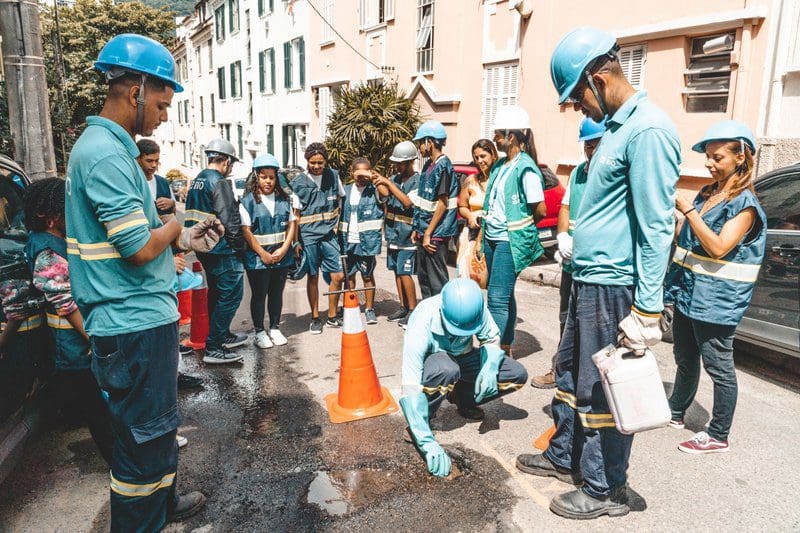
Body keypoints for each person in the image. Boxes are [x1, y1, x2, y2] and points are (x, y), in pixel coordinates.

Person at [515, 27, 680, 520]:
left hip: (614, 287)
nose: (577, 109)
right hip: (588, 280)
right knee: (569, 375)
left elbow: (655, 225)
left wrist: (648, 306)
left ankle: (605, 488)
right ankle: (565, 454)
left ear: (598, 76)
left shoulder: (647, 130)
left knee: (602, 388)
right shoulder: (615, 131)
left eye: (576, 98)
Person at [65, 34, 224, 529]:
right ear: (135, 91)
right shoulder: (109, 156)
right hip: (131, 324)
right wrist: (177, 225)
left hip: (137, 319)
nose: (163, 114)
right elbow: (137, 249)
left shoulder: (109, 149)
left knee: (155, 433)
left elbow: (130, 241)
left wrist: (182, 241)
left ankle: (164, 500)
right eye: (161, 102)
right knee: (142, 442)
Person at [664, 121, 766, 454]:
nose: (709, 163)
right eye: (708, 156)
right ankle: (676, 411)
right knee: (684, 357)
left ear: (741, 157)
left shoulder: (745, 205)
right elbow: (688, 239)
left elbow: (719, 247)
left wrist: (689, 212)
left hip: (717, 301)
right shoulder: (708, 193)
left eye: (717, 156)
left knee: (719, 367)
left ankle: (718, 433)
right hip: (687, 293)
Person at [23, 178, 114, 464]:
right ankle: (121, 464)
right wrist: (96, 340)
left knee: (98, 405)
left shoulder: (57, 241)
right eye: (66, 208)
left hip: (80, 344)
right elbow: (66, 303)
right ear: (47, 216)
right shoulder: (47, 252)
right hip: (75, 347)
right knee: (99, 409)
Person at [400, 279, 528, 477]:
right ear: (442, 312)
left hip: (465, 357)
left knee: (516, 375)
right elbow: (411, 384)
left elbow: (491, 337)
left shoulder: (475, 307)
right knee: (446, 369)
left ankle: (463, 399)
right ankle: (425, 419)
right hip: (438, 362)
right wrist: (425, 441)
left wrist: (490, 367)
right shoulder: (423, 318)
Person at [531, 117, 605, 388]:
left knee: (592, 328)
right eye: (587, 145)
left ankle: (587, 380)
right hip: (573, 264)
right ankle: (562, 371)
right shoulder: (578, 174)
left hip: (596, 268)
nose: (591, 150)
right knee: (566, 319)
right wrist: (562, 237)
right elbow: (565, 207)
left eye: (596, 144)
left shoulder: (612, 176)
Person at [136, 138, 203, 389]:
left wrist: (173, 205)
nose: (153, 166)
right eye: (148, 160)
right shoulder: (132, 182)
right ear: (138, 158)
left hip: (168, 254)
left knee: (171, 318)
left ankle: (174, 373)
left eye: (156, 161)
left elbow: (173, 221)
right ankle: (157, 378)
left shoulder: (162, 183)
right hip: (147, 259)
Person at [482, 105, 547, 357]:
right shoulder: (500, 166)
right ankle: (506, 347)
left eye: (498, 133)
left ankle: (492, 354)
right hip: (492, 238)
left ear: (511, 136)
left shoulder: (526, 168)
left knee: (497, 298)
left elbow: (539, 210)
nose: (495, 138)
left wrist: (519, 230)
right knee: (504, 295)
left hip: (509, 241)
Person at [185, 138, 249, 364]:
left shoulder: (198, 180)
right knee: (231, 295)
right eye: (231, 164)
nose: (231, 168)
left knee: (217, 293)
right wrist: (240, 247)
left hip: (204, 247)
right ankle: (214, 347)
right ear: (227, 161)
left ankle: (222, 336)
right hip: (222, 248)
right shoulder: (219, 181)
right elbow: (229, 218)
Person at [239, 154, 297, 349]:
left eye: (272, 177)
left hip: (281, 257)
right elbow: (246, 231)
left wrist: (284, 248)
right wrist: (262, 254)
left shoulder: (284, 200)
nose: (268, 181)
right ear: (256, 176)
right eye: (264, 177)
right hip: (258, 259)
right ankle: (259, 331)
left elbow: (291, 226)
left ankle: (274, 327)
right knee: (259, 294)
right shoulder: (247, 202)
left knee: (276, 294)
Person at [292, 142, 346, 334]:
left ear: (325, 161)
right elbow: (295, 215)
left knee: (338, 276)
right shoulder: (299, 183)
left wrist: (341, 230)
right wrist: (295, 241)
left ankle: (332, 316)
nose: (316, 166)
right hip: (308, 236)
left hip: (329, 234)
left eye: (320, 162)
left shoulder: (333, 176)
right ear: (307, 161)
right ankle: (315, 317)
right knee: (312, 276)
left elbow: (341, 199)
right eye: (313, 162)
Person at [373, 140, 419, 328]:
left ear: (409, 162)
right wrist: (378, 182)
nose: (397, 167)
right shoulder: (395, 179)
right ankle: (403, 306)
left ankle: (414, 310)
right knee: (396, 273)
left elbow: (407, 202)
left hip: (407, 235)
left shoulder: (418, 181)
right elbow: (384, 196)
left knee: (405, 272)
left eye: (400, 163)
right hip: (393, 233)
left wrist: (388, 183)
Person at [411, 120, 459, 298]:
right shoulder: (428, 166)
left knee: (436, 281)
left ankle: (440, 320)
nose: (419, 148)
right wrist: (418, 229)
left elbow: (442, 203)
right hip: (424, 232)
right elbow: (424, 201)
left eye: (420, 143)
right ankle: (427, 319)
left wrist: (429, 233)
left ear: (429, 142)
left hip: (436, 234)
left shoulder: (443, 167)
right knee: (424, 279)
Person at [339, 157, 383, 324]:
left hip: (367, 242)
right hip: (347, 240)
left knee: (367, 276)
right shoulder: (346, 190)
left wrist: (373, 178)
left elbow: (385, 195)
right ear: (352, 172)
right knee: (349, 277)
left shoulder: (375, 189)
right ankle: (350, 306)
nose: (362, 176)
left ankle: (370, 308)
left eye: (366, 172)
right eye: (359, 172)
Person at [456, 140, 494, 278]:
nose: (480, 161)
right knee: (466, 274)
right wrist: (470, 217)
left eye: (483, 156)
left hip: (491, 233)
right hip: (471, 233)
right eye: (476, 158)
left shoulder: (498, 180)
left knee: (487, 277)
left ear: (493, 155)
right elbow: (462, 206)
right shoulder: (471, 180)